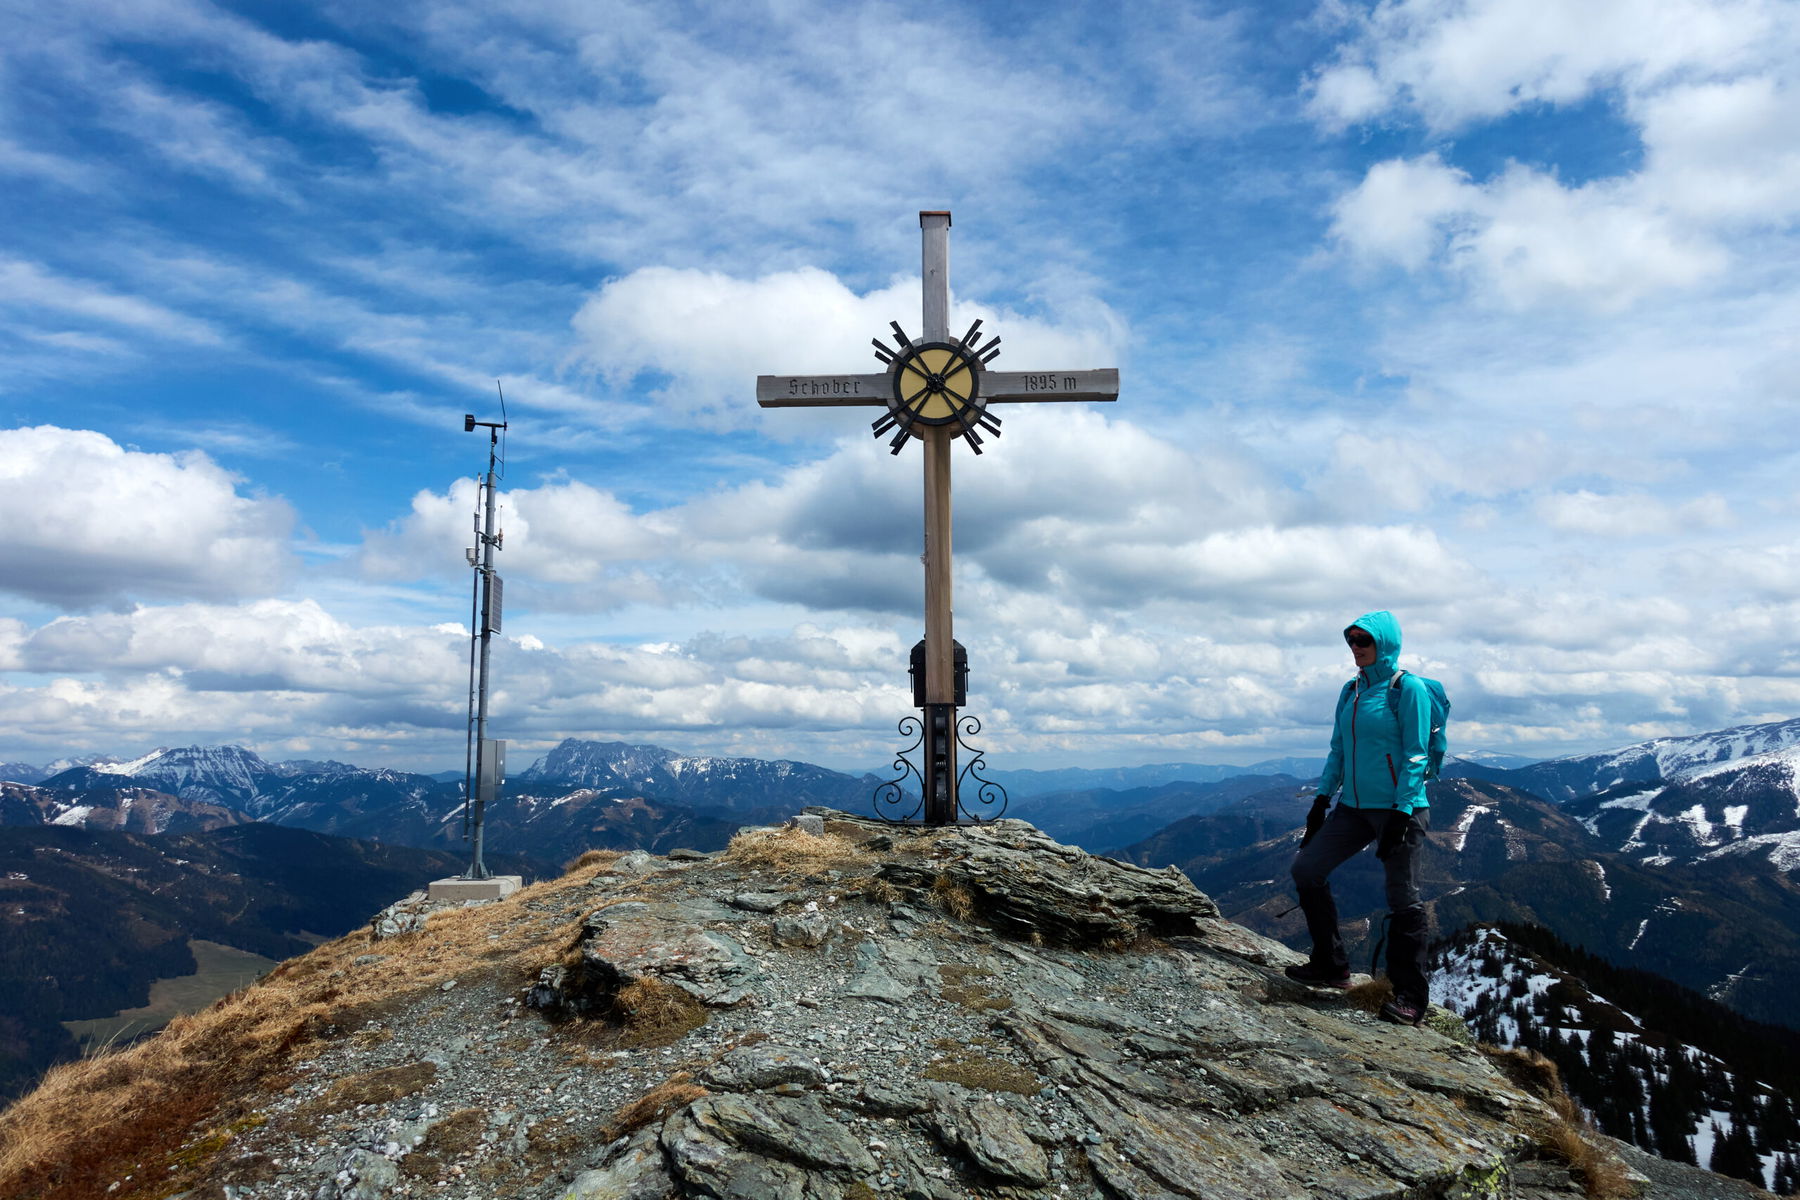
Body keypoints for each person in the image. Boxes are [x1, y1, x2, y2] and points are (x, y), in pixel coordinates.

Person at [1286, 609, 1434, 1026]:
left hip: (1397, 809)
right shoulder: (1350, 691)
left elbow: (1416, 754)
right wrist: (1320, 800)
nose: (1355, 648)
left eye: (1363, 641)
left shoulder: (1408, 689)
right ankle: (1331, 965)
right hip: (1351, 806)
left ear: (1384, 643)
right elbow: (1338, 749)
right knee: (1307, 869)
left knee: (1402, 897)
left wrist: (1403, 812)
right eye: (1350, 640)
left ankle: (1410, 997)